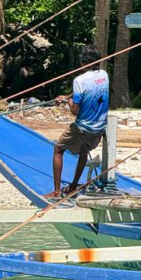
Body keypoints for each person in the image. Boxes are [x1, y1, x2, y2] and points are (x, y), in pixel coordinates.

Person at [49, 45, 109, 200]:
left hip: (83, 127)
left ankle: (56, 192)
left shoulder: (79, 80)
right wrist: (67, 97)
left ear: (83, 62)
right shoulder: (104, 75)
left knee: (58, 148)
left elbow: (75, 110)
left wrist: (67, 101)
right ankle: (73, 186)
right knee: (83, 150)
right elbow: (89, 91)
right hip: (100, 127)